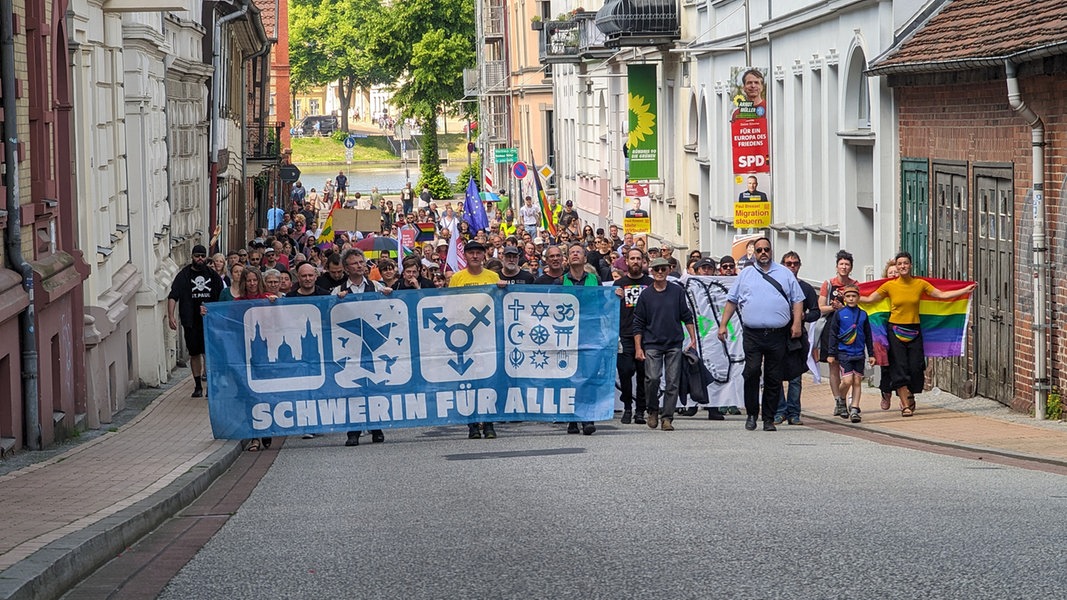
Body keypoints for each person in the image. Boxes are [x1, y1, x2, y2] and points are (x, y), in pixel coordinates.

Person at [858, 252, 975, 417]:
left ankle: (910, 395)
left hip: (915, 330)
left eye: (905, 263)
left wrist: (964, 290)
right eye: (899, 264)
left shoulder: (920, 284)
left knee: (915, 367)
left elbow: (941, 295)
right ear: (896, 267)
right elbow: (870, 299)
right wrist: (849, 297)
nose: (902, 266)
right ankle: (905, 405)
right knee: (899, 367)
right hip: (895, 329)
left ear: (910, 265)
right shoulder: (889, 286)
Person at [717, 238, 803, 432]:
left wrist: (796, 323)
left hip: (777, 334)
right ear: (754, 253)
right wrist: (723, 325)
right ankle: (752, 414)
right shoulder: (746, 274)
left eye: (766, 249)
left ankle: (769, 418)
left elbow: (798, 300)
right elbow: (732, 301)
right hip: (752, 334)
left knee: (774, 377)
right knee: (752, 372)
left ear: (771, 251)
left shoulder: (784, 273)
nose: (763, 252)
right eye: (759, 250)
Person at [332, 248, 391, 446]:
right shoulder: (338, 290)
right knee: (353, 387)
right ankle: (353, 430)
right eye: (355, 263)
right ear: (346, 268)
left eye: (361, 262)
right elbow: (330, 317)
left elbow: (387, 312)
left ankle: (376, 427)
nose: (359, 265)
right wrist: (336, 302)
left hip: (372, 345)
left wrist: (388, 296)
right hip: (350, 346)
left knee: (373, 385)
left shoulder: (375, 286)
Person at [633, 257, 698, 431]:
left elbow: (686, 315)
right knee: (652, 379)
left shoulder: (677, 291)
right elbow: (638, 322)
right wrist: (638, 347)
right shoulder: (646, 295)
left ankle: (667, 417)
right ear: (651, 272)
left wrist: (693, 339)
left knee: (672, 382)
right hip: (652, 343)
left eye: (663, 269)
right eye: (656, 269)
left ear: (669, 270)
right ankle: (652, 410)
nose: (660, 272)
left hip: (674, 343)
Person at [447, 241, 502, 440]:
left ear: (484, 256)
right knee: (469, 381)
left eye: (479, 253)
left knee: (488, 379)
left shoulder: (492, 276)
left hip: (487, 336)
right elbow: (450, 305)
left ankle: (488, 423)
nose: (475, 256)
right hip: (465, 337)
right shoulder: (457, 278)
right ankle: (472, 424)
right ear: (466, 256)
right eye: (471, 253)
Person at [167, 245, 223, 398]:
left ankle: (210, 385)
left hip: (210, 321)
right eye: (197, 255)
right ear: (192, 256)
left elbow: (222, 297)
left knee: (208, 353)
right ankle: (198, 385)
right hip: (190, 321)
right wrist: (170, 316)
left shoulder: (212, 275)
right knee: (194, 353)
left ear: (206, 257)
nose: (200, 259)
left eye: (202, 256)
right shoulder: (184, 275)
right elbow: (173, 296)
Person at [773, 251, 820, 426]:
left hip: (797, 337)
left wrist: (802, 318)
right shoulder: (775, 285)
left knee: (795, 376)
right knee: (775, 374)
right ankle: (779, 411)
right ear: (782, 265)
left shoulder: (806, 288)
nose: (792, 267)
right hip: (777, 335)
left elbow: (816, 312)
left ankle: (794, 412)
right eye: (788, 263)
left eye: (795, 263)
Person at [818, 250, 860, 417]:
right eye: (841, 264)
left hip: (850, 328)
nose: (844, 267)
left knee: (849, 365)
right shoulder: (828, 284)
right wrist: (834, 307)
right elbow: (821, 307)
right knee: (833, 364)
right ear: (837, 266)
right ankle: (838, 401)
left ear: (851, 267)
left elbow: (860, 305)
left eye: (847, 264)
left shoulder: (855, 284)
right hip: (831, 327)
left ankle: (847, 399)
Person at [826, 284, 875, 423]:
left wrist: (871, 354)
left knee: (857, 381)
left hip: (859, 353)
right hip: (844, 353)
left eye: (854, 296)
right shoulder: (839, 314)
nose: (851, 298)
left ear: (858, 297)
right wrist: (831, 353)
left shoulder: (863, 315)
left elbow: (868, 336)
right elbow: (833, 334)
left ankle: (854, 408)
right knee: (847, 381)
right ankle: (841, 399)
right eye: (848, 296)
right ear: (844, 298)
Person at [614, 248, 652, 425]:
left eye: (638, 258)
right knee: (625, 372)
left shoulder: (651, 283)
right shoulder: (618, 284)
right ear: (626, 261)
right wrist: (614, 297)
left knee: (644, 375)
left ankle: (640, 410)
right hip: (625, 335)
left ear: (643, 261)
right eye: (632, 259)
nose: (635, 261)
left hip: (647, 336)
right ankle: (627, 407)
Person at [877, 259, 901, 410]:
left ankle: (904, 396)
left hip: (902, 331)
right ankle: (886, 393)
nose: (893, 275)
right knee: (886, 365)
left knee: (902, 365)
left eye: (896, 273)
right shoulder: (881, 290)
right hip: (884, 333)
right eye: (890, 273)